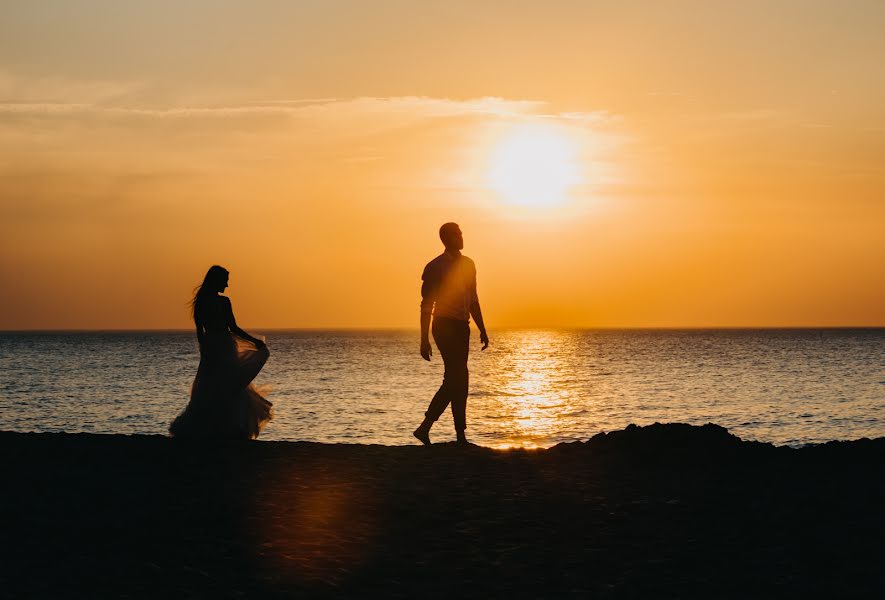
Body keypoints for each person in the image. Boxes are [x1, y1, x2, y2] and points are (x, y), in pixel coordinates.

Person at [169, 265, 273, 439]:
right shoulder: (211, 301)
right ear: (217, 280)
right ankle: (222, 428)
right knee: (218, 386)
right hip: (219, 347)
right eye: (225, 281)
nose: (227, 285)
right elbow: (216, 329)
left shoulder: (216, 301)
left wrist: (253, 341)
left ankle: (227, 428)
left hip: (219, 346)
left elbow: (208, 330)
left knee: (223, 386)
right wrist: (205, 350)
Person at [413, 223, 489, 445]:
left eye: (461, 233)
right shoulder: (435, 267)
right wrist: (424, 339)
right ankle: (450, 432)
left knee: (459, 378)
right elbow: (426, 305)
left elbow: (473, 298)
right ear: (447, 238)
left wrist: (482, 328)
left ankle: (443, 431)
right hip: (443, 325)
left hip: (462, 326)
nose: (462, 237)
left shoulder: (468, 264)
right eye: (457, 234)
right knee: (457, 376)